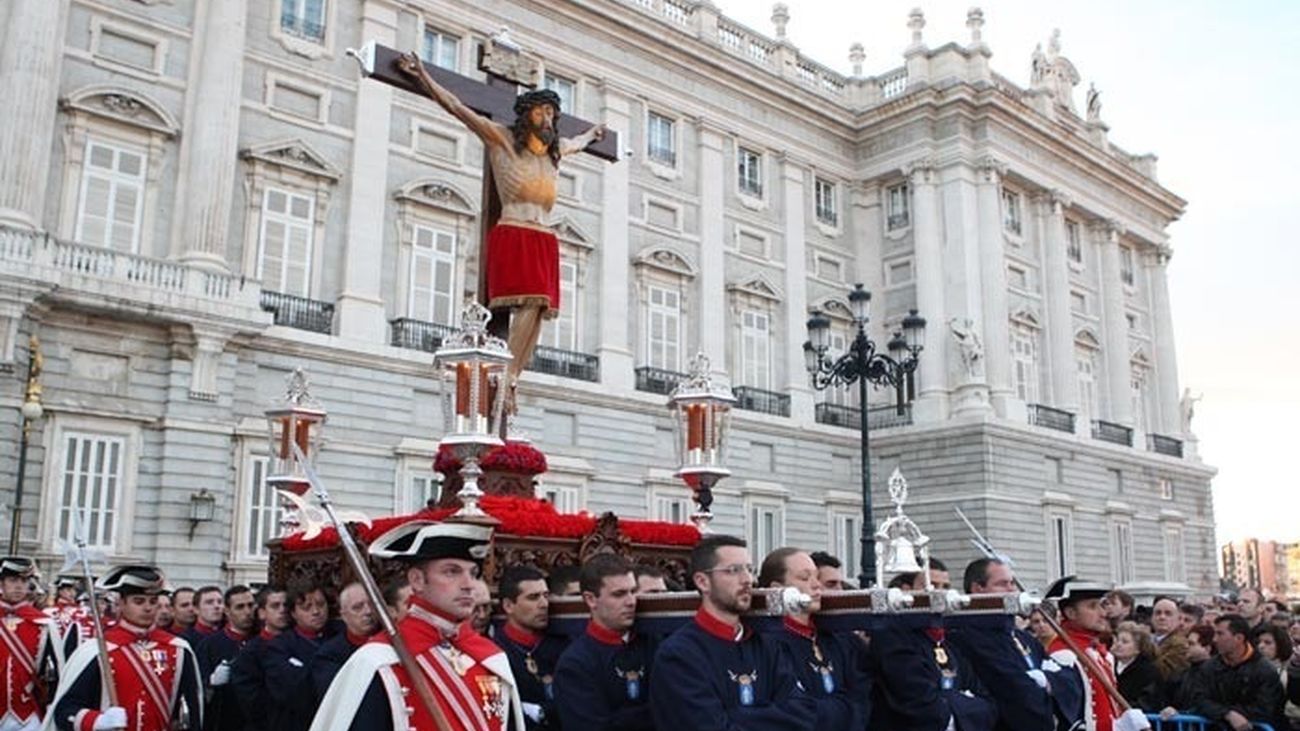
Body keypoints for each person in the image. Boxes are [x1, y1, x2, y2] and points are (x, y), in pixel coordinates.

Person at [396, 51, 606, 392]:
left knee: (539, 310)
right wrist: (422, 75)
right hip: (514, 230)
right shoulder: (502, 139)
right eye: (541, 111)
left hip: (543, 237)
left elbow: (580, 143)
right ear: (527, 115)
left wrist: (594, 134)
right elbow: (456, 107)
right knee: (533, 299)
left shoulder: (555, 153)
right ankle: (506, 376)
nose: (548, 118)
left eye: (552, 112)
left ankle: (511, 377)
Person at [310, 520, 526, 731]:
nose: (469, 585)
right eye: (452, 571)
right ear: (417, 580)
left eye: (473, 573)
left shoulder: (490, 657)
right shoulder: (379, 660)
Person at [649, 535, 815, 731]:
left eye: (749, 569)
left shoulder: (767, 645)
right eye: (734, 570)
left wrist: (735, 715)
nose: (748, 580)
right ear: (703, 582)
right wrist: (769, 714)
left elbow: (803, 714)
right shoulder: (679, 655)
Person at [46, 565, 204, 731]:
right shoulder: (97, 650)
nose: (148, 608)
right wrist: (99, 721)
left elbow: (192, 711)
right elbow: (65, 711)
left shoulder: (178, 649)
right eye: (138, 601)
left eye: (153, 601)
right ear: (121, 603)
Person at [757, 548, 868, 729]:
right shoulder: (767, 642)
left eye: (816, 576)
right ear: (777, 588)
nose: (816, 585)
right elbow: (793, 708)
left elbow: (861, 697)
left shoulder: (840, 639)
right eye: (804, 578)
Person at [553, 553, 656, 731]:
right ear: (591, 599)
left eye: (633, 591)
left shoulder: (653, 644)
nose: (631, 602)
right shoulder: (575, 664)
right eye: (619, 594)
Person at [951, 557, 1055, 731]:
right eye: (1002, 584)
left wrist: (1048, 681)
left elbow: (1068, 678)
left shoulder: (1023, 637)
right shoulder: (966, 635)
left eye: (1012, 583)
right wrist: (1047, 688)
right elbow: (1017, 692)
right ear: (978, 588)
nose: (1012, 590)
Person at [1043, 577, 1151, 731]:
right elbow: (1069, 718)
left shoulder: (1099, 652)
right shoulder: (1064, 656)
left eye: (1102, 605)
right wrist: (1114, 727)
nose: (1103, 613)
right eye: (1092, 606)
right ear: (1071, 613)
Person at [1185, 614, 1285, 730]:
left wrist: (1229, 712)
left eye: (1220, 634)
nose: (1214, 639)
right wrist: (1227, 714)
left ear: (1239, 638)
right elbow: (1199, 700)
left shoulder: (1264, 670)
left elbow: (1266, 707)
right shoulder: (1209, 667)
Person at [497, 566, 564, 730]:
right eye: (533, 597)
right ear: (508, 606)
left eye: (546, 596)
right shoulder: (495, 652)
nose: (544, 604)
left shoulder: (561, 645)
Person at [263, 579, 331, 731]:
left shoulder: (339, 637)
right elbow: (289, 693)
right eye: (306, 607)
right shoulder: (279, 647)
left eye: (320, 604)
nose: (316, 612)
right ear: (293, 613)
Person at [0, 556, 57, 731]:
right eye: (13, 580)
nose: (19, 586)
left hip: (28, 713)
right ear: (2, 583)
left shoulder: (44, 623)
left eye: (24, 581)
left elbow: (56, 673)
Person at [230, 585, 289, 731]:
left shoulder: (297, 643)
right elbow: (251, 702)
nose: (283, 610)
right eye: (275, 606)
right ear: (262, 613)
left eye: (286, 605)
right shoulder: (250, 652)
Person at [199, 585, 257, 731]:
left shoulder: (261, 641)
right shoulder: (210, 645)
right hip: (224, 720)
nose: (248, 612)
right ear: (227, 611)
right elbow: (197, 687)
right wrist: (210, 683)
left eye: (250, 605)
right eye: (240, 607)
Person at [311, 582, 379, 701]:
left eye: (372, 604)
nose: (368, 611)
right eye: (358, 607)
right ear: (344, 616)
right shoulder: (329, 655)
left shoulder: (394, 641)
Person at [1113, 622, 1161, 711]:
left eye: (1125, 642)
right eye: (1117, 640)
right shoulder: (1108, 665)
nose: (1118, 644)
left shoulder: (1148, 671)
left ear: (1138, 648)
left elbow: (1147, 701)